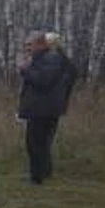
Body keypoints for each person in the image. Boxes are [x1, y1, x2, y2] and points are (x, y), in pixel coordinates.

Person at [17, 29, 76, 185]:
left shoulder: (52, 59)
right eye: (26, 45)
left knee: (35, 143)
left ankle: (37, 178)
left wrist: (25, 69)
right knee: (41, 143)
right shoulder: (46, 59)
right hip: (43, 108)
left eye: (30, 44)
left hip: (43, 109)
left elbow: (43, 80)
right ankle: (43, 173)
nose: (27, 48)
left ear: (41, 44)